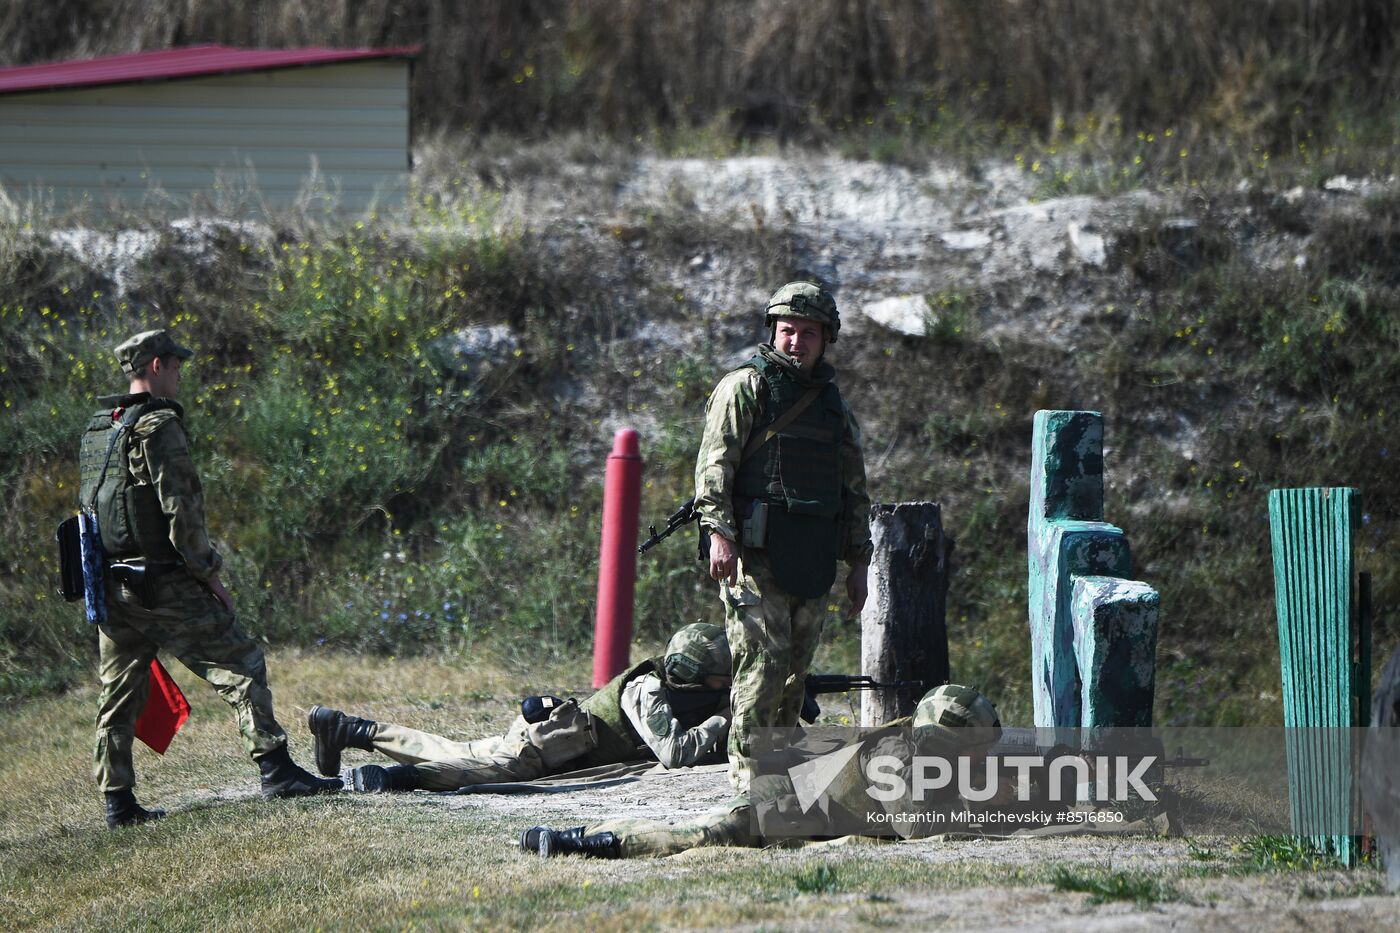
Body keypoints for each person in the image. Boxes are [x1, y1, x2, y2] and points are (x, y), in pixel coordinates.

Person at [81, 329, 340, 829]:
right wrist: (207, 574)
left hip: (111, 584)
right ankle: (277, 770)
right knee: (241, 662)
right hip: (161, 581)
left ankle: (118, 803)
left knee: (118, 693)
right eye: (176, 365)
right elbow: (181, 511)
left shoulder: (100, 428)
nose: (180, 374)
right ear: (156, 366)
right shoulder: (158, 426)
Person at [693, 281, 873, 793]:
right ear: (773, 330)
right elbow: (714, 468)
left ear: (826, 339)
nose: (796, 342)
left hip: (811, 558)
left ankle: (783, 778)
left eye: (808, 333)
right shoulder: (745, 387)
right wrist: (719, 534)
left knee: (795, 674)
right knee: (761, 668)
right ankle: (749, 785)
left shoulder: (834, 407)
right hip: (754, 556)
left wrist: (859, 561)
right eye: (788, 330)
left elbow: (853, 489)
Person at [520, 683, 1004, 858]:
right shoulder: (898, 755)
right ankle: (579, 841)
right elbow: (917, 826)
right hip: (785, 802)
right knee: (704, 835)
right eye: (976, 748)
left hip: (802, 797)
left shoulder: (923, 753)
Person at [308, 622, 734, 792]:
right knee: (478, 772)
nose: (726, 683)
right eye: (721, 676)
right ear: (692, 673)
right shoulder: (648, 689)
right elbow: (675, 753)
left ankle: (351, 729)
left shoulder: (679, 687)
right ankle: (391, 778)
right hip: (539, 752)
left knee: (453, 749)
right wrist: (722, 719)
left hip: (547, 739)